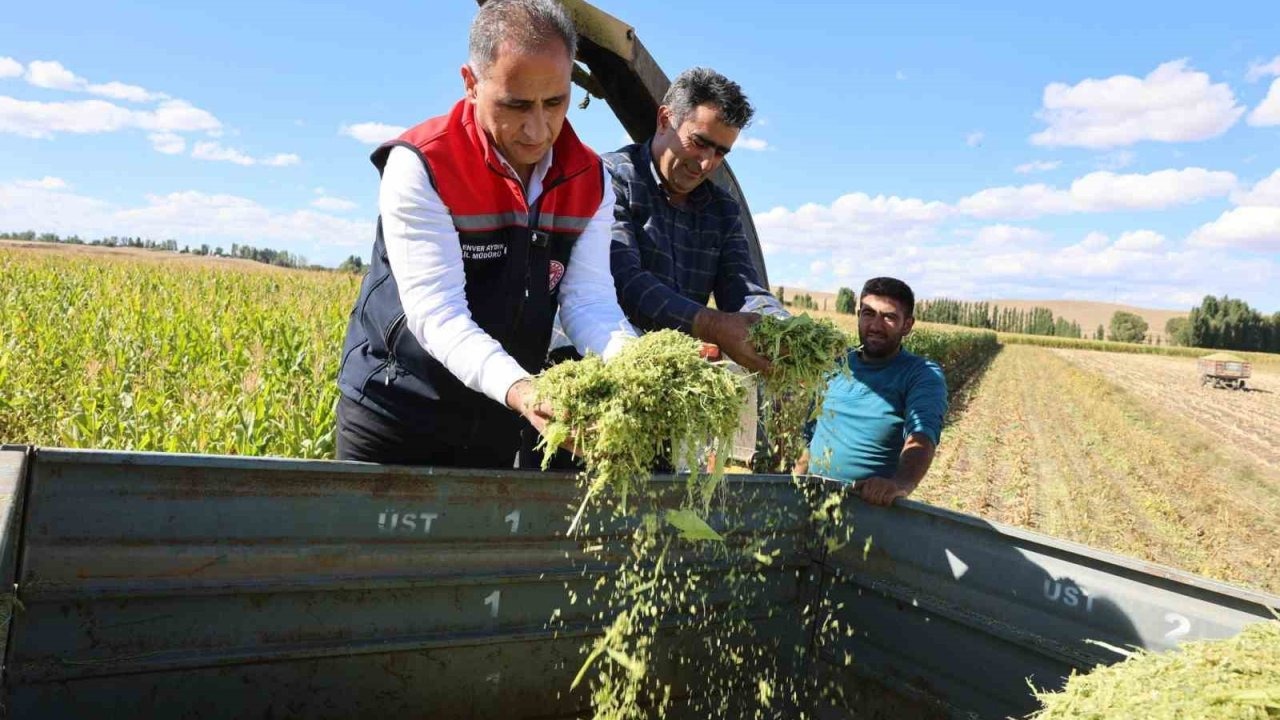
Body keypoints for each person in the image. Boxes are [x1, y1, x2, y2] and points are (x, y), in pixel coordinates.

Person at [336, 0, 635, 467]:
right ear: (471, 83)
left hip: (497, 415)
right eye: (516, 104)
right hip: (398, 409)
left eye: (554, 103)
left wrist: (636, 361)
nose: (538, 129)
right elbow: (438, 312)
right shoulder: (423, 164)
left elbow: (588, 301)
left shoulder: (589, 179)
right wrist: (521, 389)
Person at [604, 67, 786, 371]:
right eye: (700, 142)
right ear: (665, 120)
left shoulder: (722, 209)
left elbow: (742, 288)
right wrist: (711, 325)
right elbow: (625, 281)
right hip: (603, 359)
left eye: (720, 153)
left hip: (673, 374)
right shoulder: (610, 179)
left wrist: (782, 327)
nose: (706, 164)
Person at [797, 278, 947, 506]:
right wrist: (797, 475)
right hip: (811, 497)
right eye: (868, 314)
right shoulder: (835, 363)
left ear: (907, 325)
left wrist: (900, 483)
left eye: (889, 317)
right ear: (858, 315)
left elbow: (922, 435)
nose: (876, 326)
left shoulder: (921, 374)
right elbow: (813, 430)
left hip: (868, 506)